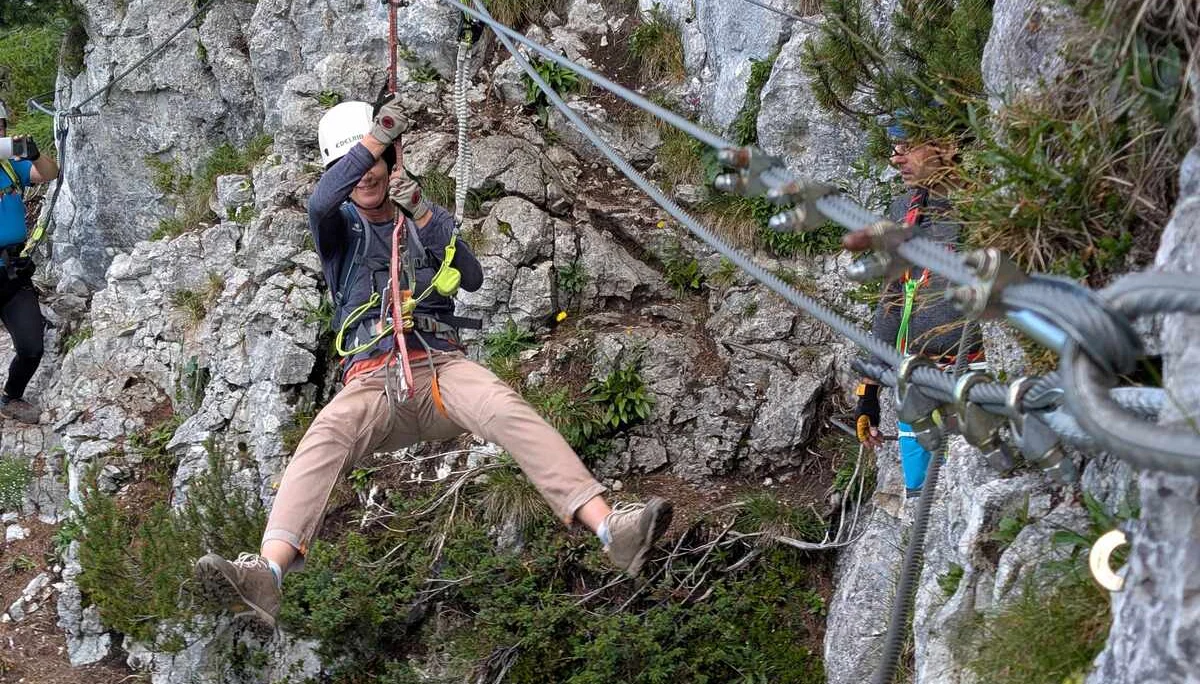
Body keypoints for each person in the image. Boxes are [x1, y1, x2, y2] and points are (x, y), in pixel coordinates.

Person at [195, 97, 674, 628]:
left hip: (440, 369)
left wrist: (421, 209)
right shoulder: (339, 230)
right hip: (374, 380)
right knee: (326, 436)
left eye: (372, 161)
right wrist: (376, 137)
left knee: (505, 409)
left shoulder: (420, 215)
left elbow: (470, 275)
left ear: (394, 159)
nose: (363, 175)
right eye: (350, 164)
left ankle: (613, 530)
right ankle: (269, 572)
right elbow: (320, 202)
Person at [848, 113, 982, 497]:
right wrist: (868, 393)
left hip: (970, 377)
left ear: (949, 146)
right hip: (914, 385)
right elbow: (891, 302)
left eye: (909, 145)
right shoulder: (903, 210)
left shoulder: (978, 209)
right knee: (923, 508)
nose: (896, 157)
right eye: (895, 147)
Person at [0, 99, 59, 424]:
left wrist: (34, 154)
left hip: (11, 275)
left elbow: (49, 174)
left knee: (31, 347)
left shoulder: (10, 166)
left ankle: (11, 397)